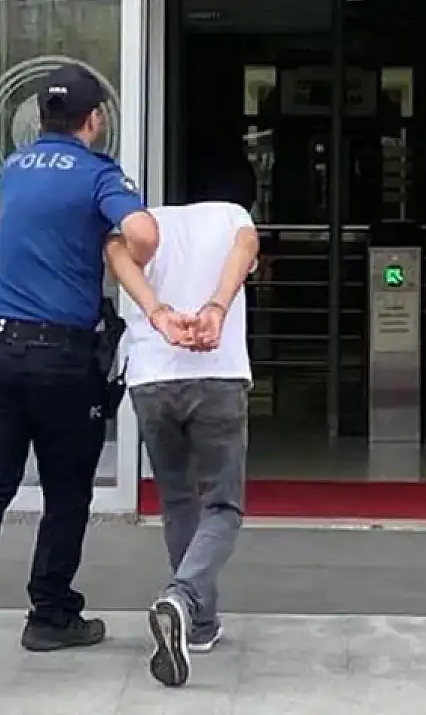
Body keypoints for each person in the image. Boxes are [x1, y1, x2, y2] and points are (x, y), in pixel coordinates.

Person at [0, 64, 189, 683]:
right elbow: (143, 232)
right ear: (94, 119)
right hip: (60, 358)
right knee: (66, 492)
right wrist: (121, 249)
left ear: (41, 116)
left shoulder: (16, 167)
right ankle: (50, 614)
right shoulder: (97, 174)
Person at [125, 175, 259, 688]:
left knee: (179, 501)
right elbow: (246, 249)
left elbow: (119, 261)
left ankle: (198, 625)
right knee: (222, 504)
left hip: (152, 379)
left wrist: (161, 314)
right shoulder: (233, 217)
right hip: (218, 374)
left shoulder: (139, 226)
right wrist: (216, 309)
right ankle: (182, 598)